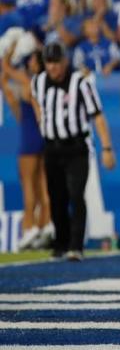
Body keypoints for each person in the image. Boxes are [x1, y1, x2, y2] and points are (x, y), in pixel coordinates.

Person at [30, 41, 116, 260]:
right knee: (56, 196)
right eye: (48, 63)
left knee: (76, 195)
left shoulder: (80, 82)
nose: (52, 67)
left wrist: (106, 147)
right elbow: (34, 100)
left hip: (76, 147)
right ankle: (61, 243)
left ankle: (76, 246)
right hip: (52, 147)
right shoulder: (38, 82)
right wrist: (42, 120)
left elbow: (97, 115)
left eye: (56, 62)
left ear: (64, 61)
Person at [0, 41, 52, 250]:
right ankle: (46, 225)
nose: (28, 61)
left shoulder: (32, 81)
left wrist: (11, 48)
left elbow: (6, 70)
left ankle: (30, 227)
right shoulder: (43, 82)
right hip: (41, 136)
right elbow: (8, 89)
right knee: (42, 186)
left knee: (28, 186)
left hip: (30, 139)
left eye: (31, 58)